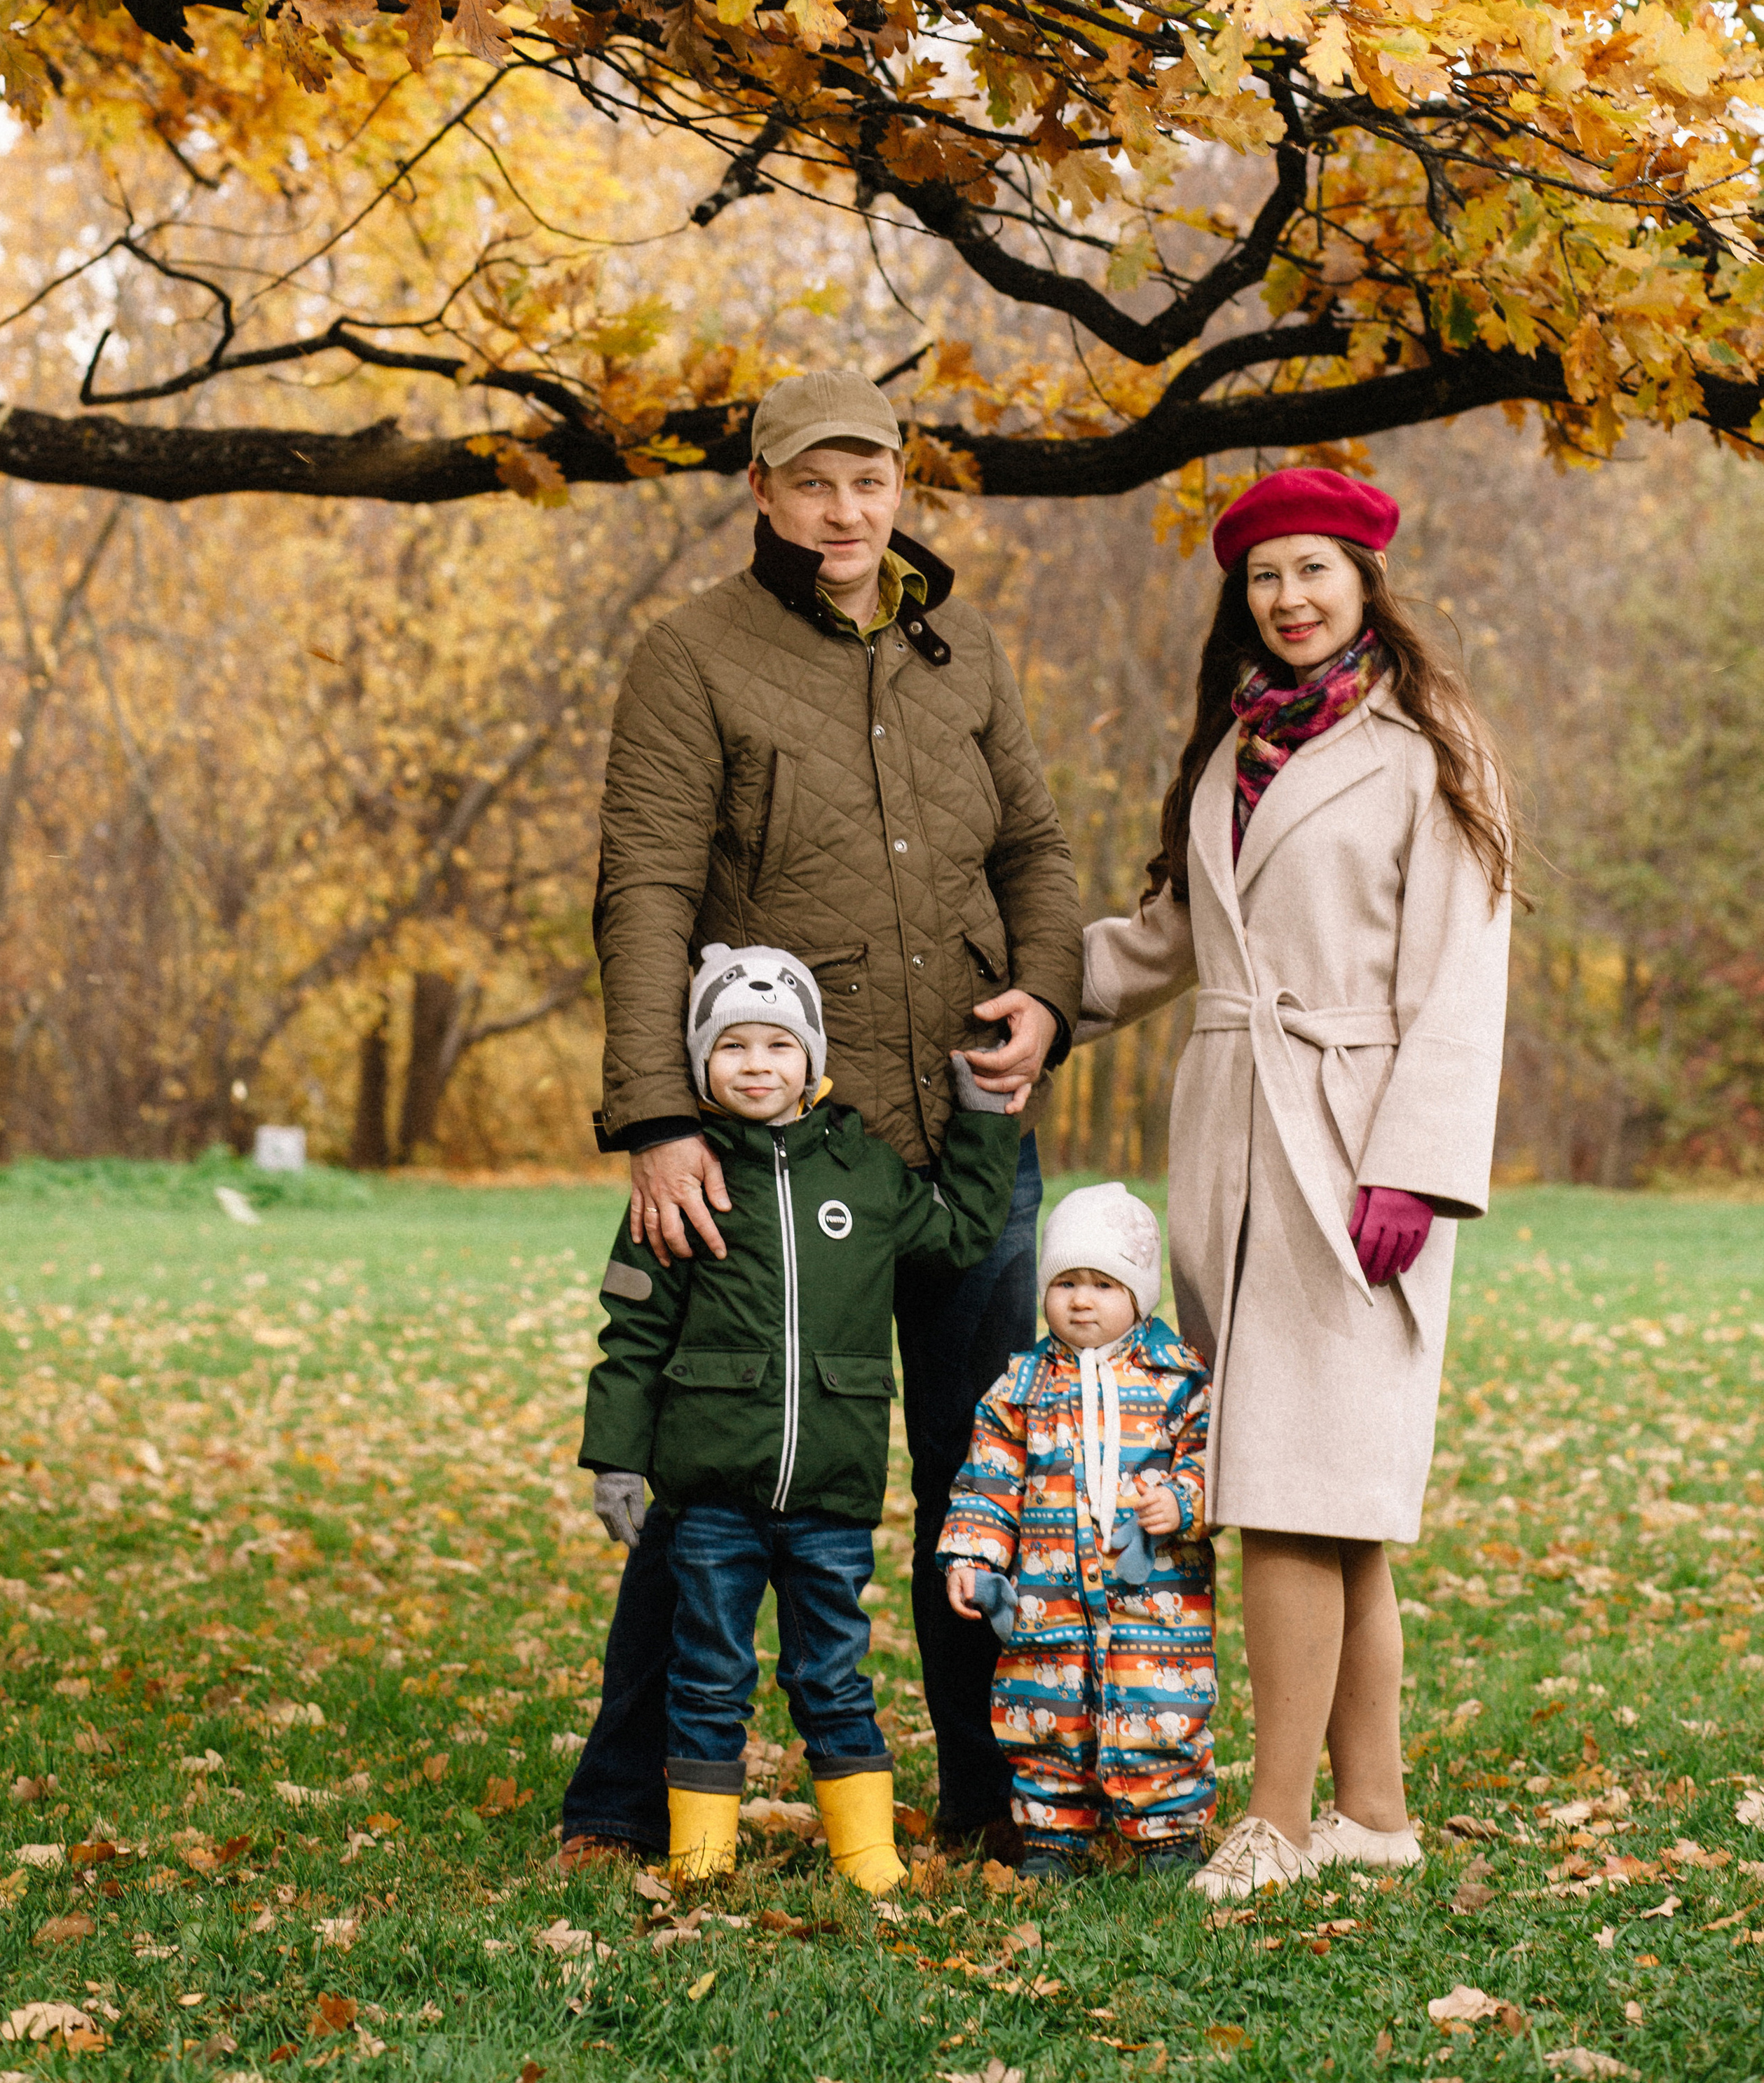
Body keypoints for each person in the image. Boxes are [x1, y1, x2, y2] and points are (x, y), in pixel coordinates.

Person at [561, 367, 1083, 1867]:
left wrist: (1042, 998)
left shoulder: (956, 645)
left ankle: (992, 1803)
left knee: (976, 1473)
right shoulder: (690, 654)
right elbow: (644, 890)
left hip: (970, 1129)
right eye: (813, 483)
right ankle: (619, 1803)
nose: (844, 510)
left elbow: (1036, 850)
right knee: (722, 1473)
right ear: (763, 494)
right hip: (778, 1154)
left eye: (869, 481)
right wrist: (659, 1118)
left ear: (899, 489)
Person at [1073, 466, 1512, 1899]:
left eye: (1313, 570)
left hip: (1354, 1154)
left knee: (1287, 1487)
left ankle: (1267, 1820)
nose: (1290, 599)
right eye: (1264, 577)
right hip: (1231, 1148)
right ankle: (1370, 1819)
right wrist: (1028, 995)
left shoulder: (1424, 747)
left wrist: (1414, 1166)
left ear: (1364, 580)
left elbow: (1462, 970)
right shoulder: (1228, 750)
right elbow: (1166, 938)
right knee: (1328, 1505)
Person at [580, 943, 1022, 1892]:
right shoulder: (684, 1181)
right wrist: (615, 1459)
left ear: (811, 1058)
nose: (756, 1064)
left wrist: (984, 1124)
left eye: (778, 1044)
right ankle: (702, 1856)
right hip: (710, 1498)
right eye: (731, 1044)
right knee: (707, 1675)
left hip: (829, 1493)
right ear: (701, 1062)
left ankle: (868, 1859)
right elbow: (632, 1330)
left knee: (831, 1675)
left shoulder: (864, 1173)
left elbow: (960, 1232)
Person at [938, 1181, 1215, 1880]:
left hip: (1156, 1604)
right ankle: (1053, 1838)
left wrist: (1182, 1501)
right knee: (1043, 1714)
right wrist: (972, 1553)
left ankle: (1168, 1835)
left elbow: (1214, 1458)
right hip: (1045, 1602)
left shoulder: (1176, 1379)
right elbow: (987, 1479)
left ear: (1139, 1293)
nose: (1081, 1299)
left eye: (1102, 1282)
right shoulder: (1020, 1388)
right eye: (1065, 1281)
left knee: (1162, 1709)